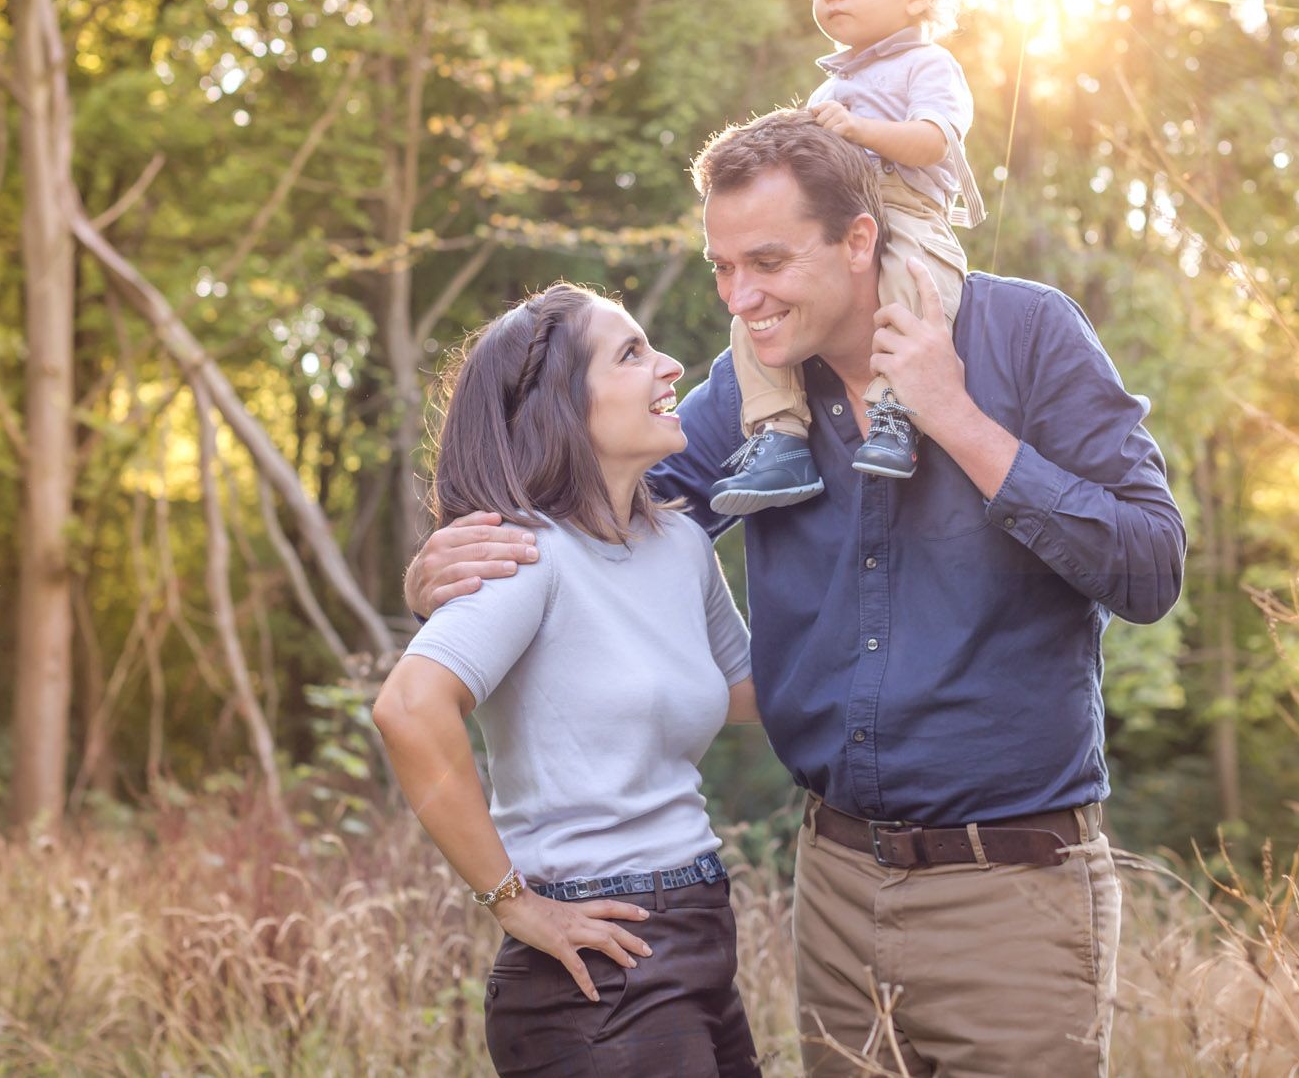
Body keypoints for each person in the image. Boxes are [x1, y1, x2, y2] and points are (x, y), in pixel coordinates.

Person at [407, 112, 1186, 1077]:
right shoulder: (751, 392)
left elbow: (1151, 568)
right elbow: (590, 506)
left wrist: (957, 419)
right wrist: (446, 563)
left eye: (767, 262)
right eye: (722, 267)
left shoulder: (1024, 334)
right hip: (835, 894)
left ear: (859, 239)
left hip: (1014, 895)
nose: (742, 299)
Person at [372, 282, 764, 1078]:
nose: (670, 366)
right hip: (597, 962)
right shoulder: (524, 553)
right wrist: (513, 902)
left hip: (699, 928)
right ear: (563, 407)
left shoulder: (680, 542)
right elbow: (410, 708)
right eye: (631, 353)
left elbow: (746, 695)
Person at [710, 0, 985, 516]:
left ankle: (896, 411)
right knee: (754, 310)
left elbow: (935, 140)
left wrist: (858, 129)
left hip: (907, 207)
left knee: (915, 284)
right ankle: (778, 433)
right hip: (840, 219)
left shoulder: (928, 64)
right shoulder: (829, 86)